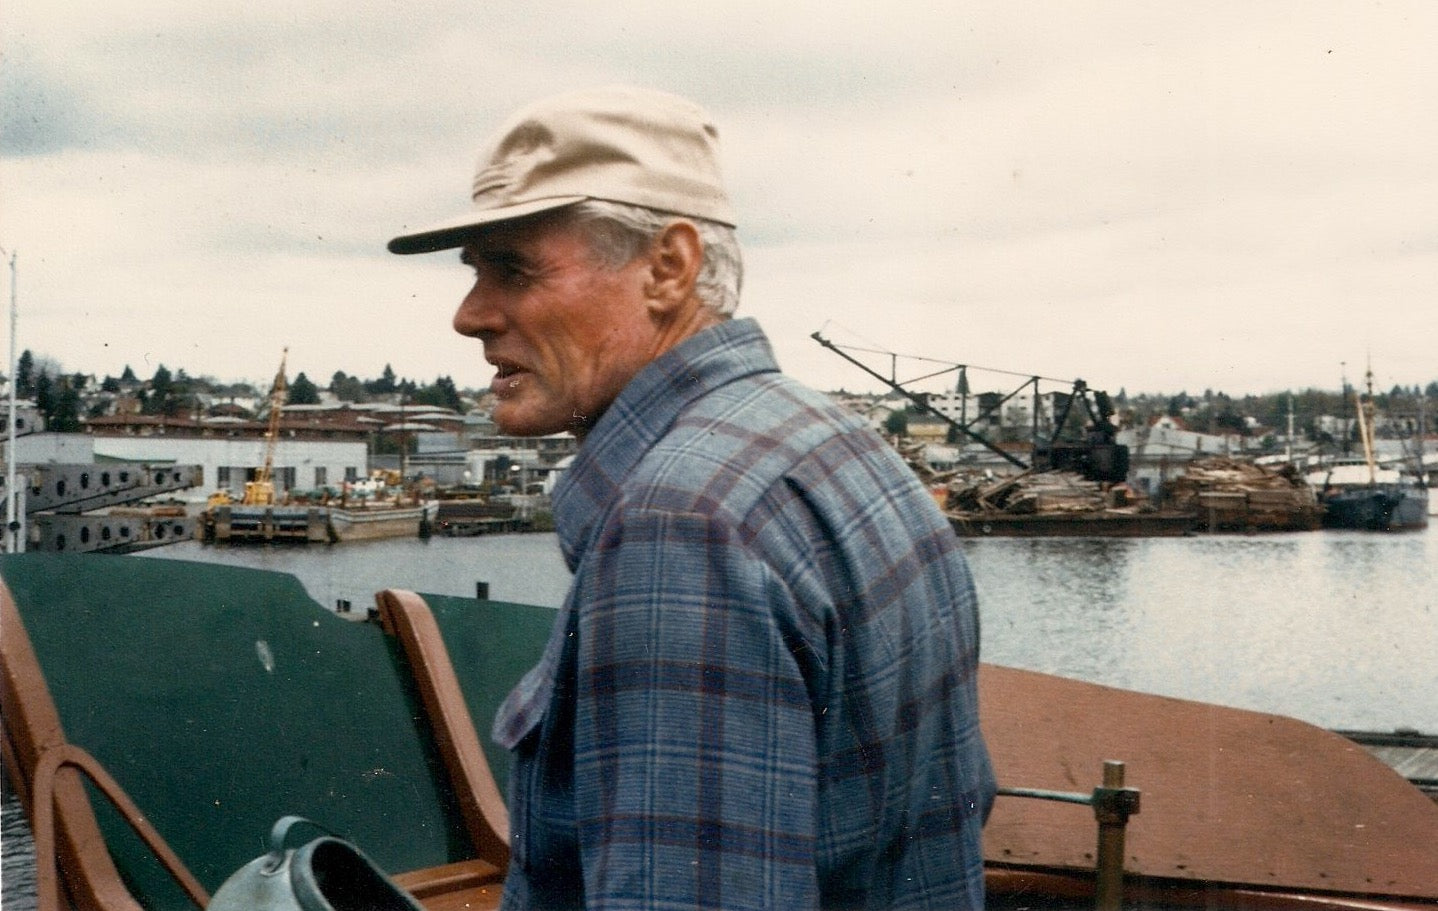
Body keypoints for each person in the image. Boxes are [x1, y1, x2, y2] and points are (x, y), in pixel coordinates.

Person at [388, 85, 995, 910]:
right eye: (475, 273)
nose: (470, 315)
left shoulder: (679, 527)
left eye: (513, 269)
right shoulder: (831, 439)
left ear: (669, 267)